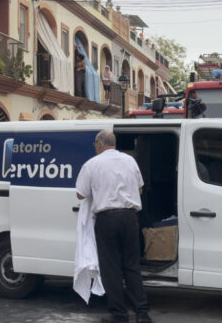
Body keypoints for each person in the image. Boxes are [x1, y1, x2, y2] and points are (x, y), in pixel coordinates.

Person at [76, 130, 153, 323]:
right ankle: (142, 313)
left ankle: (120, 315)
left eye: (95, 144)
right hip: (129, 217)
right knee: (132, 266)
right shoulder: (130, 161)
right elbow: (140, 189)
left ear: (99, 144)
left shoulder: (92, 164)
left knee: (112, 269)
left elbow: (80, 194)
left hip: (107, 219)